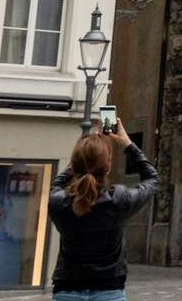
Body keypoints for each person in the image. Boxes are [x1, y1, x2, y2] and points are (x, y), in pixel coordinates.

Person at [48, 123, 158, 301]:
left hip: (67, 290)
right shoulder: (118, 201)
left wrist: (85, 155)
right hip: (109, 291)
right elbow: (152, 178)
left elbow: (57, 184)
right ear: (108, 167)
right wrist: (127, 143)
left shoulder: (59, 203)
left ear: (74, 165)